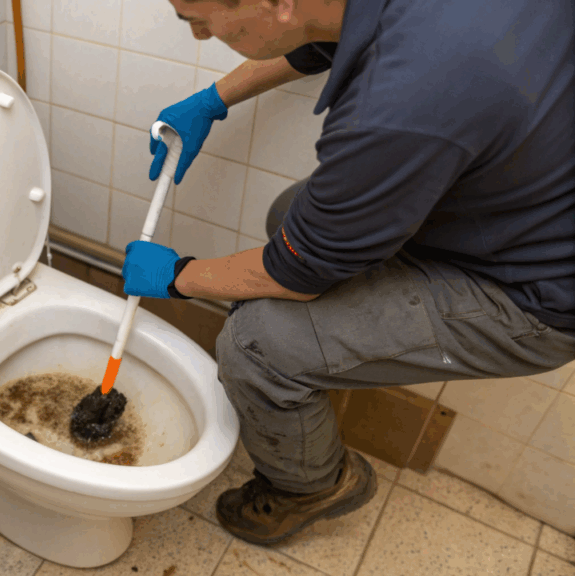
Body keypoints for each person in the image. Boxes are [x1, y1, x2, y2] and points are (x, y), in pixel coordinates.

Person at [120, 0, 575, 545]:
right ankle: (303, 384)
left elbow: (293, 271)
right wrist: (214, 100)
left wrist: (176, 276)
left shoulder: (401, 99)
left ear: (277, 3)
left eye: (198, 19)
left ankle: (310, 487)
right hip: (516, 206)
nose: (197, 35)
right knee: (289, 217)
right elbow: (320, 38)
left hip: (531, 295)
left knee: (252, 344)